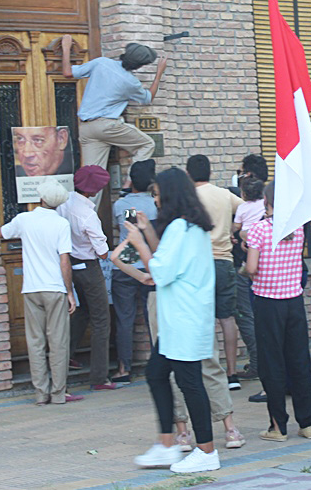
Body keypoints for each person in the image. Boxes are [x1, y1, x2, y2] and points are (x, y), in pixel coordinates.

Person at [125, 168, 221, 474]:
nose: (156, 200)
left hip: (184, 319)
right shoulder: (189, 226)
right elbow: (166, 256)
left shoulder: (182, 227)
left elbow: (162, 271)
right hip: (179, 320)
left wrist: (139, 242)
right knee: (156, 373)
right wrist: (147, 233)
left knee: (190, 382)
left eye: (158, 193)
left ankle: (206, 450)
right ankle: (166, 445)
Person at [0, 181, 79, 405]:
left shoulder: (25, 220)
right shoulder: (61, 224)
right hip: (54, 288)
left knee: (35, 342)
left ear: (41, 199)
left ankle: (40, 393)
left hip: (31, 288)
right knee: (58, 342)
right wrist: (70, 292)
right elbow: (65, 261)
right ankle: (58, 393)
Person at [245, 181, 311, 442]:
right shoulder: (297, 229)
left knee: (272, 364)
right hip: (294, 302)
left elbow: (252, 268)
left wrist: (247, 254)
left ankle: (278, 426)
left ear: (267, 200)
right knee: (299, 361)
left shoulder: (259, 230)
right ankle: (307, 423)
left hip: (268, 303)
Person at [60, 34, 167, 202]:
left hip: (87, 129)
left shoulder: (101, 62)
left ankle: (83, 225)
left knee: (91, 181)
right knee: (147, 144)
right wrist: (159, 73)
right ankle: (127, 184)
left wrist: (66, 47)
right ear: (139, 66)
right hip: (107, 126)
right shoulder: (130, 82)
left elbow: (67, 72)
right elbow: (147, 98)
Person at [187, 154, 245, 390]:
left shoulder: (189, 197)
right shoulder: (224, 194)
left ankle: (208, 371)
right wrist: (233, 230)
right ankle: (232, 374)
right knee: (227, 318)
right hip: (223, 261)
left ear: (188, 174)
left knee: (202, 319)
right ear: (210, 172)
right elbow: (246, 210)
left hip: (199, 264)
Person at [58, 165, 116, 391]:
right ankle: (99, 377)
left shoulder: (63, 203)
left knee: (81, 312)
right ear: (93, 191)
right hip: (89, 267)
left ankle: (67, 356)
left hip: (68, 264)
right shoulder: (88, 214)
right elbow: (102, 252)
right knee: (102, 320)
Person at [109, 159, 158, 383]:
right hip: (151, 265)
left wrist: (126, 190)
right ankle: (159, 363)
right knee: (154, 319)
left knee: (124, 319)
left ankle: (124, 368)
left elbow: (130, 231)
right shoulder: (155, 204)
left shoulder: (124, 205)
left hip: (127, 267)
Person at [231, 176, 265, 381]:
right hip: (264, 267)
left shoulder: (241, 207)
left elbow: (236, 228)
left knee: (244, 315)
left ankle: (257, 363)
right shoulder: (267, 208)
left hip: (244, 264)